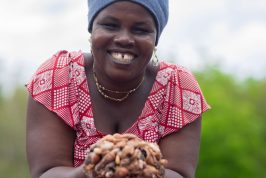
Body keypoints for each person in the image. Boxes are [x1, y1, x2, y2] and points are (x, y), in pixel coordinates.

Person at [26, 0, 210, 178]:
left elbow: (180, 174)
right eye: (110, 25)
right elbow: (45, 172)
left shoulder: (177, 87)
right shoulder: (58, 76)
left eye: (141, 30)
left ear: (156, 38)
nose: (124, 39)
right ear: (92, 29)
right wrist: (100, 167)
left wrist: (130, 167)